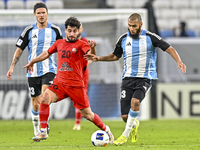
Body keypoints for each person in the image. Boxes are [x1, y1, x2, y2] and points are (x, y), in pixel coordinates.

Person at [84, 13, 186, 146]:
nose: (131, 29)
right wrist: (99, 58)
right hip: (127, 79)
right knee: (125, 116)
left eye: (134, 26)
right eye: (129, 26)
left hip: (145, 78)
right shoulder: (123, 39)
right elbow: (115, 56)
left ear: (141, 25)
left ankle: (124, 136)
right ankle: (134, 124)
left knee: (135, 101)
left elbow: (169, 48)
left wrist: (179, 61)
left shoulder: (150, 37)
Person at [23, 17, 114, 143]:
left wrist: (92, 48)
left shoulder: (82, 44)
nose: (72, 34)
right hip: (60, 83)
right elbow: (47, 53)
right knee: (44, 98)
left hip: (75, 85)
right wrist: (32, 61)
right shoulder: (59, 43)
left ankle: (107, 130)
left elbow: (91, 56)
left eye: (75, 31)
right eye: (70, 31)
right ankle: (43, 132)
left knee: (88, 115)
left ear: (78, 31)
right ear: (65, 30)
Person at [6, 2, 63, 140]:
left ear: (47, 13)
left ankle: (44, 128)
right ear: (34, 15)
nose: (41, 15)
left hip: (49, 69)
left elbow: (62, 49)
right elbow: (20, 49)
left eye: (43, 12)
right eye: (39, 13)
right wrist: (12, 66)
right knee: (35, 103)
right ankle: (37, 130)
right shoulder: (28, 30)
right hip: (32, 71)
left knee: (45, 97)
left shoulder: (55, 30)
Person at [73, 24, 95, 130]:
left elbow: (92, 58)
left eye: (78, 28)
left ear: (81, 29)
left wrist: (85, 64)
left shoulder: (86, 42)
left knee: (80, 97)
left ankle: (78, 123)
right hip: (70, 74)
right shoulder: (67, 42)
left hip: (83, 75)